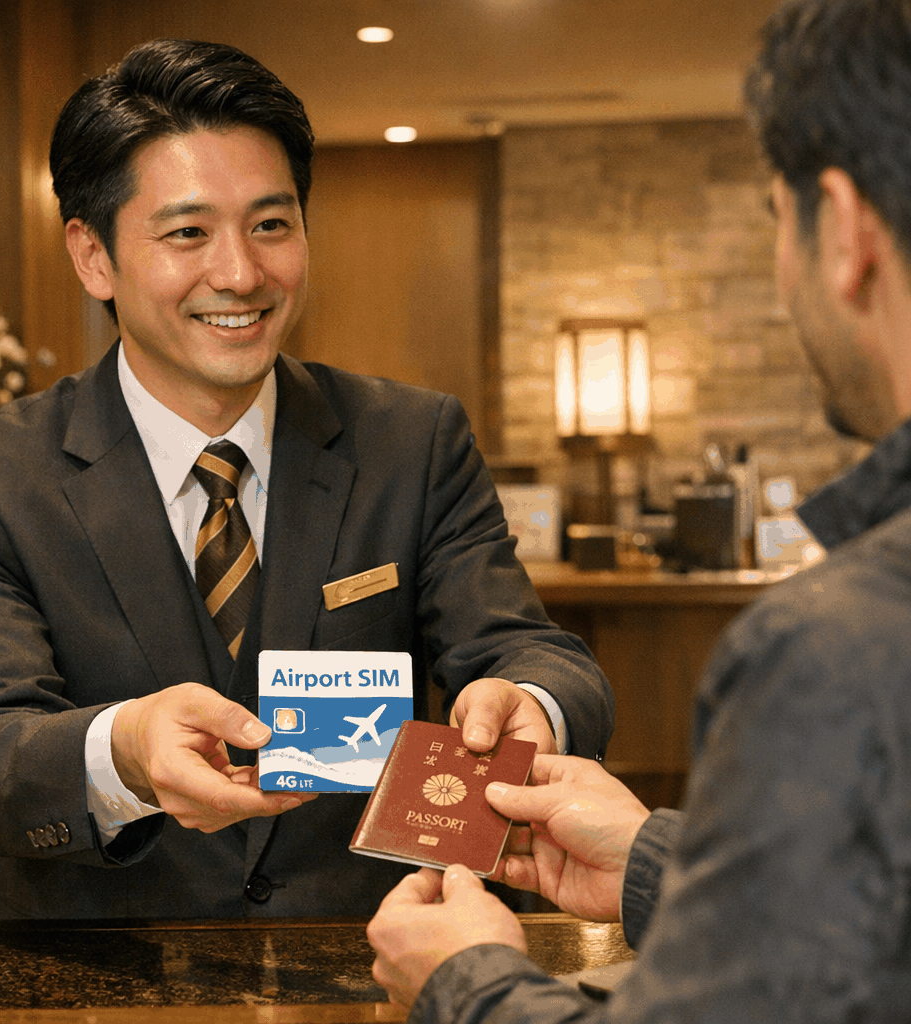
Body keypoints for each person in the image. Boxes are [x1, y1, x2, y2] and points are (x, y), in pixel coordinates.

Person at [0, 39, 614, 920]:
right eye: (188, 233)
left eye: (271, 225)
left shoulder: (412, 440)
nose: (240, 274)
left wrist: (532, 705)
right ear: (92, 256)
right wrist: (124, 751)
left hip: (380, 949)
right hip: (103, 964)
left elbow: (532, 653)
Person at [367, 0, 911, 1018]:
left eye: (775, 220)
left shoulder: (833, 649)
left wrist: (461, 981)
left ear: (841, 229)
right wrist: (659, 862)